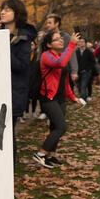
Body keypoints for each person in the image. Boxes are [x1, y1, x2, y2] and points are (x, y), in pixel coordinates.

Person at [33, 31, 83, 168]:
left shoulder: (61, 55)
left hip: (60, 98)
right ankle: (41, 154)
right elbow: (60, 64)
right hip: (48, 98)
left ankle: (51, 155)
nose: (61, 40)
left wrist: (73, 97)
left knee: (54, 126)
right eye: (56, 39)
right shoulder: (46, 56)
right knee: (61, 127)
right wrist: (72, 44)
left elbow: (65, 82)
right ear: (49, 44)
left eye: (61, 38)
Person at [0, 0, 37, 165]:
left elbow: (22, 66)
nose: (3, 12)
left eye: (7, 9)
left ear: (17, 13)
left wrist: (3, 47)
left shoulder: (24, 39)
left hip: (14, 92)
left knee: (8, 132)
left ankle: (10, 168)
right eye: (2, 9)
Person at [44, 14, 78, 91]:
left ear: (57, 24)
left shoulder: (66, 37)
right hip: (48, 71)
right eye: (47, 23)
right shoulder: (44, 37)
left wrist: (74, 71)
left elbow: (72, 55)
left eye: (50, 23)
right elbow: (40, 54)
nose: (47, 25)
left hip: (63, 70)